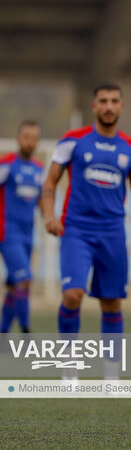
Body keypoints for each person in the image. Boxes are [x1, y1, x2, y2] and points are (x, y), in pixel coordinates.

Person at [40, 82, 131, 380]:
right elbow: (50, 182)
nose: (108, 106)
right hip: (77, 230)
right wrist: (49, 216)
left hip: (113, 233)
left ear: (121, 106)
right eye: (103, 101)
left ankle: (112, 372)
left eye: (114, 101)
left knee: (112, 301)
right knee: (73, 294)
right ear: (94, 106)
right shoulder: (72, 141)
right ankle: (68, 366)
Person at [0, 121, 43, 334]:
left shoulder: (38, 169)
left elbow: (43, 199)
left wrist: (50, 218)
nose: (30, 142)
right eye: (26, 137)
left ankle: (3, 333)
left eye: (34, 138)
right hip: (7, 232)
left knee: (13, 286)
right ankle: (26, 332)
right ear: (19, 138)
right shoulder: (7, 164)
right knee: (25, 278)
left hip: (28, 235)